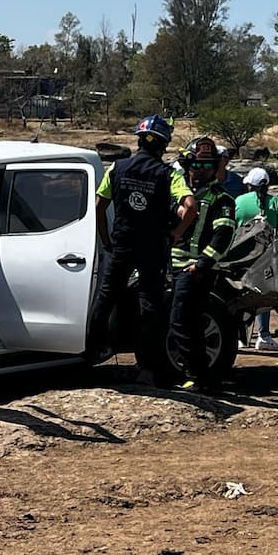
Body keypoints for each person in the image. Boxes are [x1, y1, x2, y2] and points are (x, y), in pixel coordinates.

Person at [88, 115, 197, 381]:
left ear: (139, 140)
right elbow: (191, 206)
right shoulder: (168, 174)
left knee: (106, 297)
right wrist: (175, 234)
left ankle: (91, 351)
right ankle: (147, 366)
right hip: (152, 249)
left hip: (122, 245)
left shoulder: (117, 168)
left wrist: (105, 239)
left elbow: (99, 206)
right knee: (150, 305)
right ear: (163, 145)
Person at [168, 136, 237, 390]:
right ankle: (200, 378)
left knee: (181, 321)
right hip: (176, 267)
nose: (199, 171)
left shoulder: (222, 199)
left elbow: (224, 235)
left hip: (196, 270)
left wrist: (203, 264)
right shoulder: (180, 194)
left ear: (216, 167)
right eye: (195, 166)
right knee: (192, 322)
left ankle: (198, 375)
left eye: (206, 166)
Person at [234, 167, 278, 350]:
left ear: (249, 184)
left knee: (240, 294)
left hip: (240, 255)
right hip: (266, 256)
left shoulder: (239, 201)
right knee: (263, 295)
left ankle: (241, 337)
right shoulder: (274, 202)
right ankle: (263, 335)